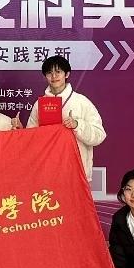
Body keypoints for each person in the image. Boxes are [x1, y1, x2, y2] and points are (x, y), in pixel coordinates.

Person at [26, 55, 106, 183]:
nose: (54, 76)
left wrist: (77, 125)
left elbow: (99, 135)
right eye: (49, 73)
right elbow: (31, 139)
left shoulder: (81, 102)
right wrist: (22, 131)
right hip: (47, 173)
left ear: (67, 74)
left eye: (58, 72)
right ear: (45, 76)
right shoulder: (39, 104)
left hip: (77, 174)